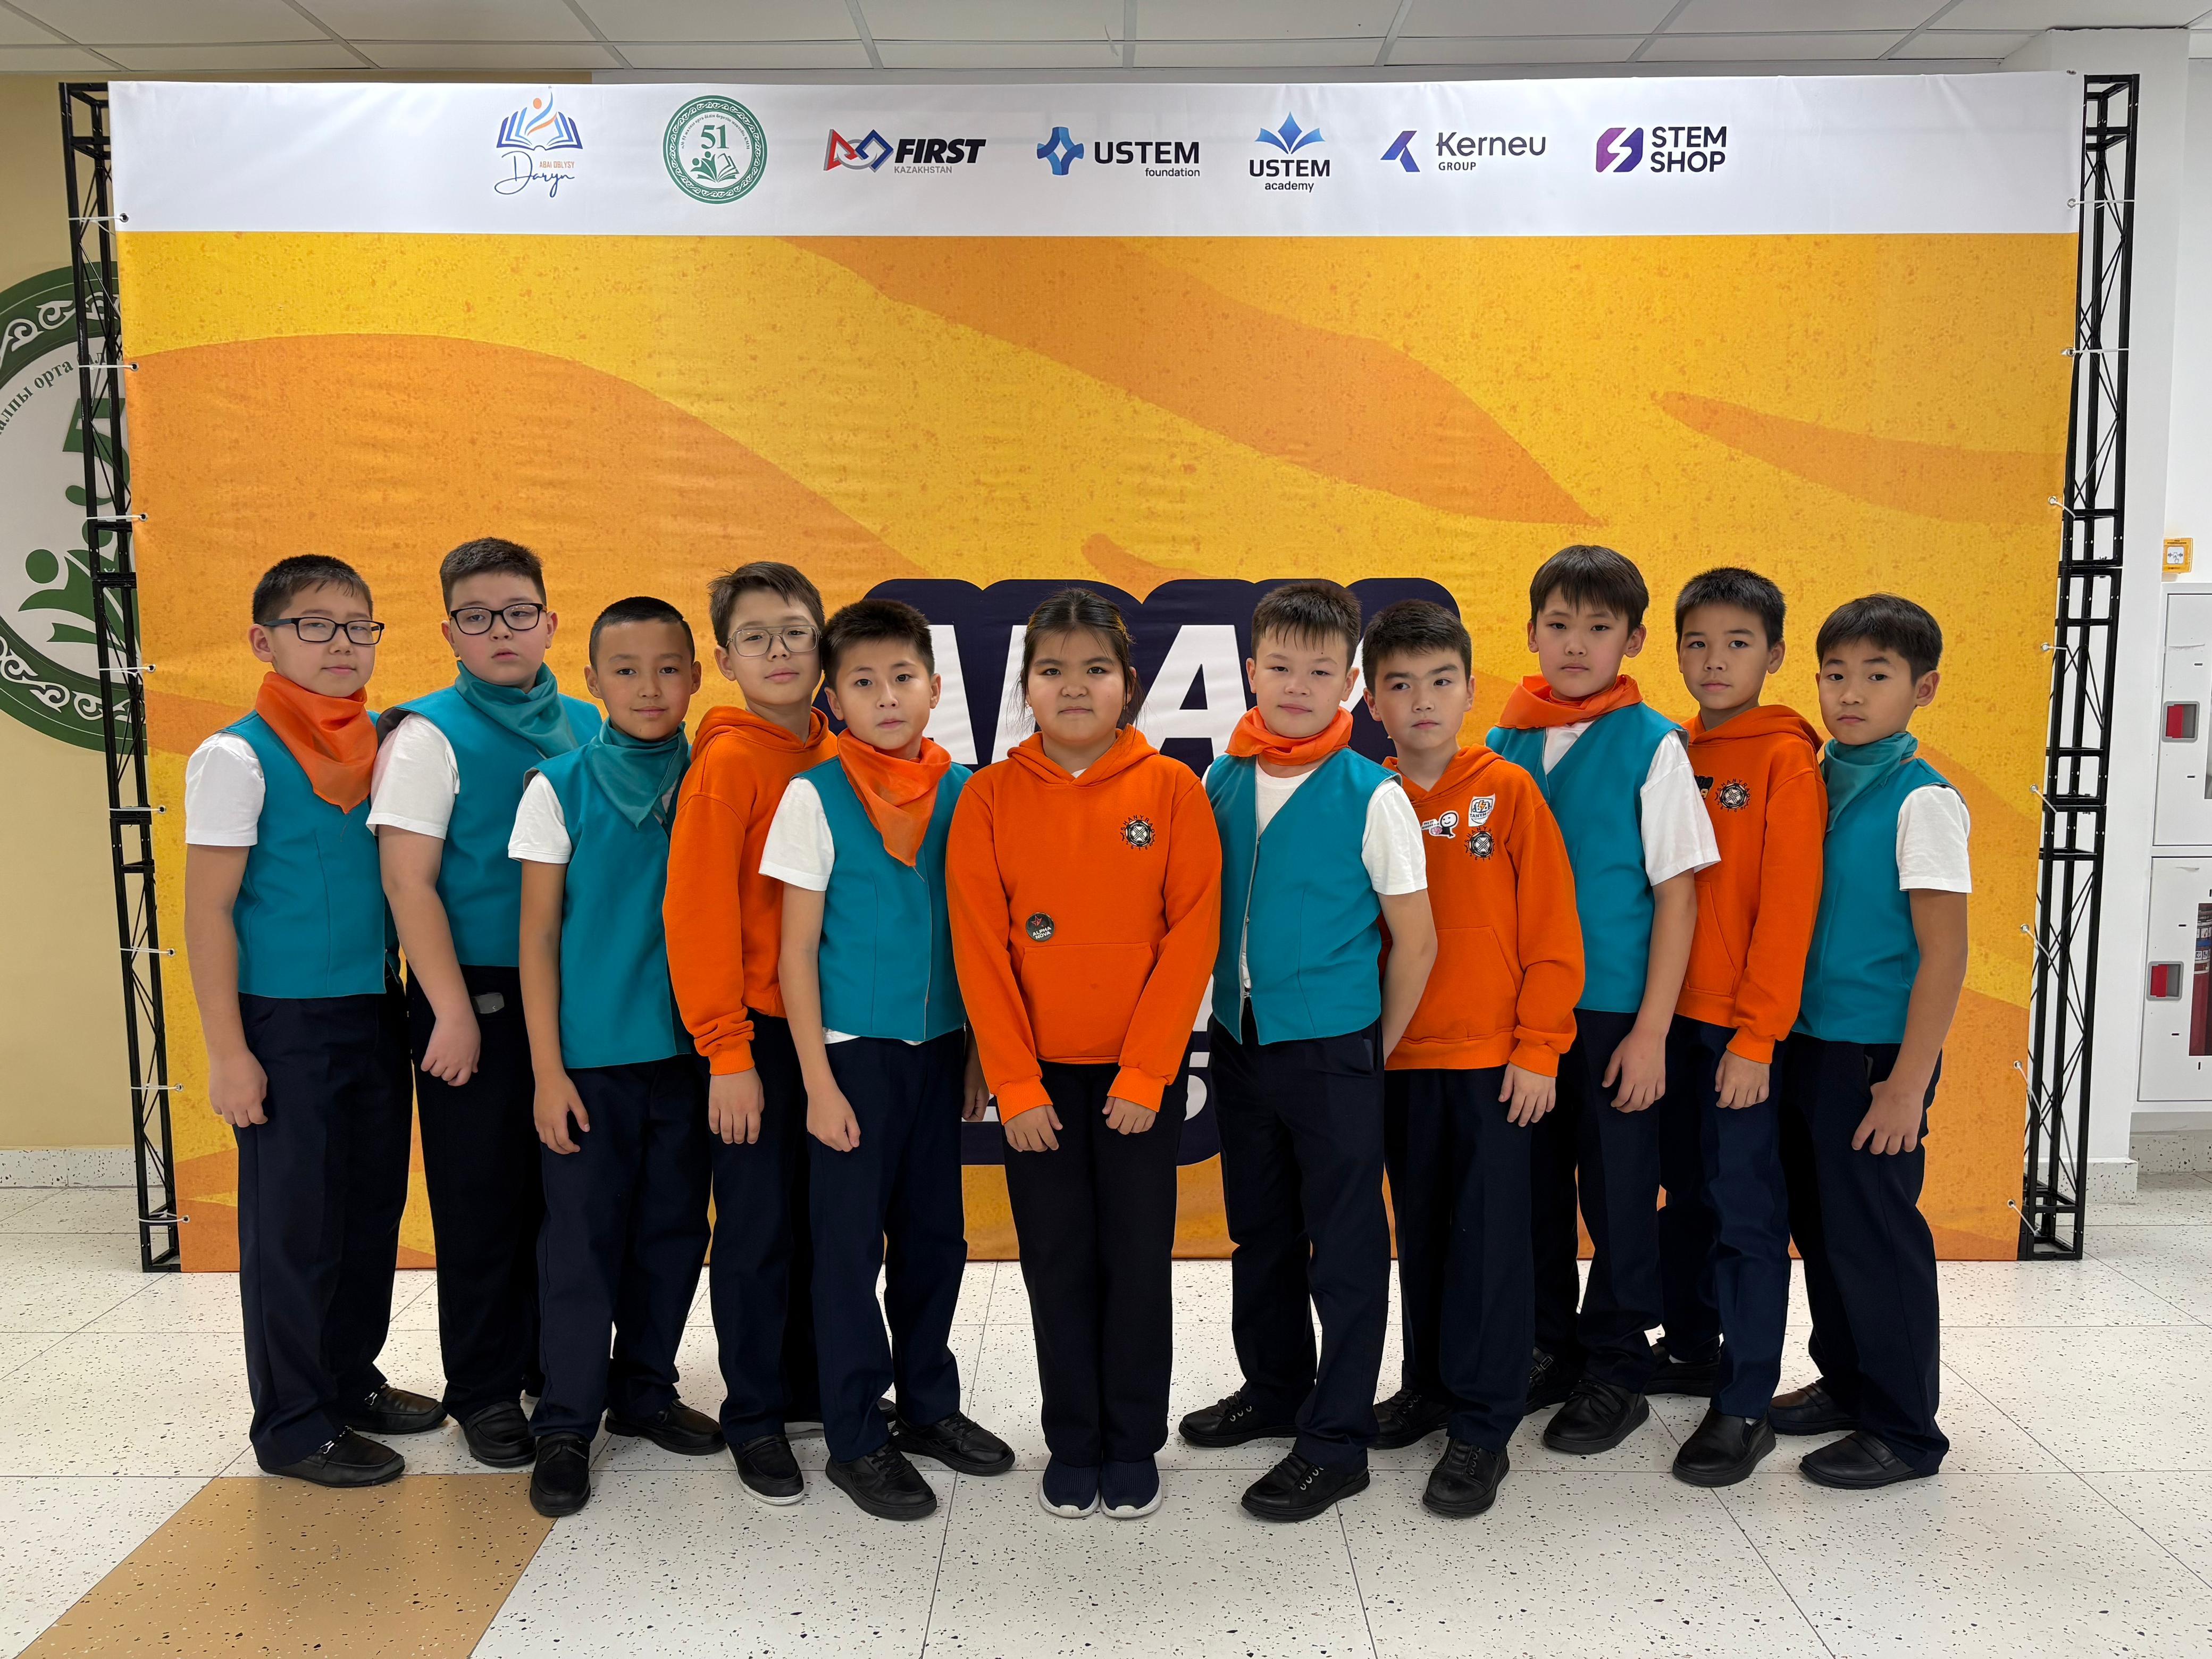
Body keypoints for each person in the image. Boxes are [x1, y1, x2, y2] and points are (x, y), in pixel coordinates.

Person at [948, 588, 1222, 1522]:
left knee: (1137, 1262)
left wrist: (1147, 1073)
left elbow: (1192, 938)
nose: (1075, 686)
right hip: (1038, 1084)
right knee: (1056, 1262)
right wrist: (1015, 1083)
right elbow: (980, 950)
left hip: (1139, 1079)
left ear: (1128, 684)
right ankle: (1073, 1441)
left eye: (1095, 669)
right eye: (1053, 670)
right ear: (1026, 687)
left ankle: (1132, 1441)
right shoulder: (988, 798)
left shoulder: (1173, 790)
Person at [1178, 579, 1438, 1523]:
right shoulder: (1222, 778)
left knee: (1348, 1248)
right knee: (1262, 1230)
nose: (1298, 686)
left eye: (1320, 671)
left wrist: (1373, 1049)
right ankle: (1276, 1388)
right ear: (1251, 671)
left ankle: (1337, 1441)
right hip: (1241, 1041)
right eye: (1281, 667)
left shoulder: (1375, 796)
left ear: (1351, 684)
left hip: (1334, 1051)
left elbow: (1417, 943)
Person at [182, 554, 441, 1487]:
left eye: (358, 627)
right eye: (315, 626)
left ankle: (348, 1381)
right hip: (283, 1022)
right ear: (265, 640)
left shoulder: (387, 746)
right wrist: (229, 1054)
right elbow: (207, 911)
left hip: (375, 1007)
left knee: (368, 1210)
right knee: (293, 1228)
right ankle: (293, 1425)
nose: (342, 645)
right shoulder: (236, 756)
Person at [765, 597, 1014, 1521]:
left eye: (903, 678)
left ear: (935, 688)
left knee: (933, 1241)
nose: (886, 698)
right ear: (833, 699)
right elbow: (795, 952)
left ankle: (929, 1407)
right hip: (850, 1058)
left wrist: (979, 1052)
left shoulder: (966, 792)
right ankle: (855, 1433)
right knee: (846, 1251)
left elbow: (980, 939)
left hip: (939, 1051)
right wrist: (817, 1083)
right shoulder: (814, 796)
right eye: (863, 683)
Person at [371, 536, 599, 1470]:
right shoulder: (426, 734)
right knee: (482, 1199)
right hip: (474, 997)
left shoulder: (589, 719)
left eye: (517, 612)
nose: (499, 631)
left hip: (575, 994)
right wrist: (452, 1009)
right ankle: (484, 1388)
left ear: (550, 622)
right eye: (476, 617)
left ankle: (557, 1367)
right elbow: (408, 882)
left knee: (565, 1199)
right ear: (449, 633)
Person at [1487, 544, 1717, 1455]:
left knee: (1619, 1194)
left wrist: (1653, 1031)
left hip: (1617, 1012)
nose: (1576, 644)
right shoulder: (1502, 742)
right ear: (1531, 631)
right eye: (1559, 625)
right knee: (1532, 1188)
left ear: (1634, 639)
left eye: (1598, 627)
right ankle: (1551, 1346)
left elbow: (1678, 896)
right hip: (1521, 1017)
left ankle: (1618, 1365)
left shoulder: (1652, 743)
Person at [1359, 599, 1582, 1518]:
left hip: (1494, 1065)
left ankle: (1484, 1426)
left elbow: (1552, 930)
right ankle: (1430, 1385)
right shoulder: (1366, 795)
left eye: (1441, 682)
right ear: (1372, 700)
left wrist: (1540, 1048)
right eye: (1401, 685)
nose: (1423, 701)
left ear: (1468, 689)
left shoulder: (1508, 791)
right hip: (1398, 1063)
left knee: (1490, 1247)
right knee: (1422, 1234)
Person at [512, 596, 720, 1519]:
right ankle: (565, 1419)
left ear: (697, 677)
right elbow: (537, 937)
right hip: (591, 1061)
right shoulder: (558, 786)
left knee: (674, 1231)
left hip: (696, 1053)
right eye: (626, 670)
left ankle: (645, 1389)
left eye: (669, 668)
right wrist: (547, 1072)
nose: (649, 687)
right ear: (591, 680)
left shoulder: (717, 778)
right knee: (580, 1242)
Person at [1773, 594, 1967, 1489]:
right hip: (1807, 1046)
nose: (1850, 694)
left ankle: (1904, 1429)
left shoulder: (1921, 800)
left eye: (1877, 676)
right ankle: (1848, 1384)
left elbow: (1944, 953)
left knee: (1877, 1239)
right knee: (1822, 1230)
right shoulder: (1816, 777)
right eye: (1836, 674)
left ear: (1922, 689)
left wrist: (1905, 1086)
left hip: (1875, 1059)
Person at [664, 561, 836, 1505]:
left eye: (796, 633)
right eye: (756, 638)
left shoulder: (838, 750)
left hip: (829, 1033)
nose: (779, 652)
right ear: (725, 660)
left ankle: (808, 1385)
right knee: (757, 1229)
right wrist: (727, 1052)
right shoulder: (727, 764)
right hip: (757, 1037)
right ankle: (755, 1414)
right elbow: (695, 918)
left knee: (819, 1223)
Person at [1656, 568, 1825, 1488]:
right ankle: (1692, 1347)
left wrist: (1757, 1038)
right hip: (1668, 1019)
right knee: (1686, 1196)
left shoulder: (1784, 759)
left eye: (1737, 644)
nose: (1714, 661)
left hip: (1737, 1032)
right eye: (1698, 643)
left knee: (1746, 1214)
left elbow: (1789, 912)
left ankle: (1747, 1401)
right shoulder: (1673, 747)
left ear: (1774, 655)